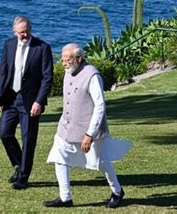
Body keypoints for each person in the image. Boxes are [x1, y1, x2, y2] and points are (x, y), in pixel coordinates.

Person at [44, 43, 132, 208]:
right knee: (59, 157)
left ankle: (117, 192)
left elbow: (100, 106)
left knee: (101, 162)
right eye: (62, 60)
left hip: (89, 129)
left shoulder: (92, 76)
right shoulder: (68, 72)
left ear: (79, 58)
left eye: (67, 60)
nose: (64, 63)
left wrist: (89, 134)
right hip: (66, 127)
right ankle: (65, 198)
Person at [0, 15, 53, 190]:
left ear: (31, 29)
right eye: (21, 32)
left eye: (27, 31)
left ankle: (23, 177)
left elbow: (47, 78)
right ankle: (20, 165)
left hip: (31, 101)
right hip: (11, 98)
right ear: (14, 31)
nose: (24, 35)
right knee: (4, 133)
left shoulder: (42, 48)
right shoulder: (9, 45)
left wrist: (39, 102)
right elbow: (4, 72)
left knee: (28, 139)